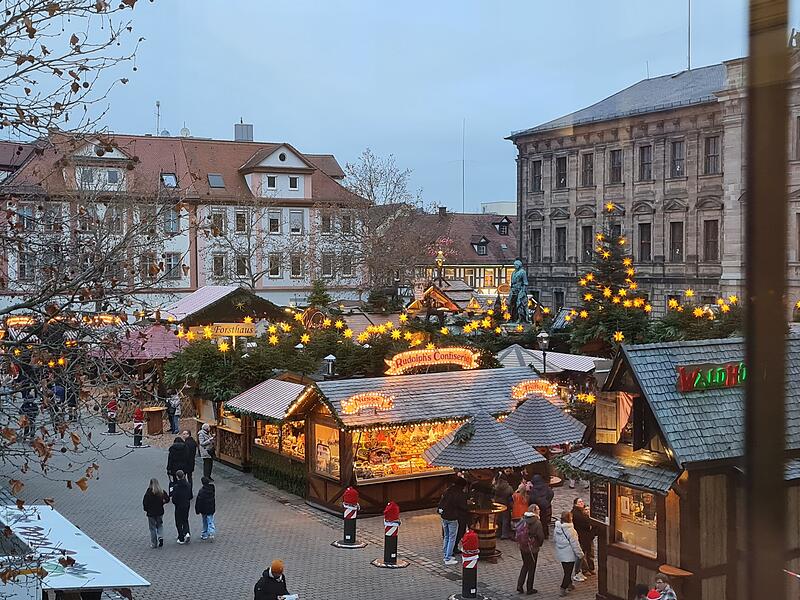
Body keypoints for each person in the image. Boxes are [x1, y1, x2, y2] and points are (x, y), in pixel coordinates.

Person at [438, 476, 468, 565]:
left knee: (447, 536)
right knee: (452, 538)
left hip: (444, 516)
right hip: (453, 517)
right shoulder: (460, 494)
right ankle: (448, 557)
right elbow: (463, 507)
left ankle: (445, 553)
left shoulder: (448, 491)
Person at [515, 506, 544, 595]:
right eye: (538, 509)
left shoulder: (523, 519)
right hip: (532, 548)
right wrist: (539, 544)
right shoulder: (537, 522)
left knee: (525, 565)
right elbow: (540, 536)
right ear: (534, 511)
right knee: (532, 568)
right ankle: (529, 588)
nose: (539, 510)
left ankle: (519, 585)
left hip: (523, 547)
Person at [554, 511, 583, 596]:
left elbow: (554, 539)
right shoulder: (571, 530)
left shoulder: (557, 528)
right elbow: (575, 544)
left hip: (561, 553)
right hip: (569, 554)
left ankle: (570, 584)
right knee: (568, 573)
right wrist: (580, 554)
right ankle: (563, 588)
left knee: (566, 570)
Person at [142, 478, 169, 548]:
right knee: (159, 525)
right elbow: (167, 499)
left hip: (151, 513)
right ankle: (160, 536)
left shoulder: (148, 493)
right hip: (160, 512)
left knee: (152, 528)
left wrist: (146, 510)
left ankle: (154, 543)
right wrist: (163, 502)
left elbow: (145, 503)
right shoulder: (161, 492)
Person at [571, 498, 595, 577]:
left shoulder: (583, 511)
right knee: (583, 554)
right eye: (579, 502)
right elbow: (586, 523)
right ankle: (585, 569)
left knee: (590, 552)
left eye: (582, 501)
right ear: (575, 504)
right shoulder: (577, 513)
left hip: (588, 536)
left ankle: (590, 568)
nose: (581, 503)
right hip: (581, 536)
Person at [170, 469, 192, 544]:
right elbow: (190, 496)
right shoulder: (188, 485)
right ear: (184, 475)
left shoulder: (176, 487)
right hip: (186, 505)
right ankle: (187, 532)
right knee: (185, 519)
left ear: (177, 477)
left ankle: (181, 538)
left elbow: (174, 499)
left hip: (179, 506)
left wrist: (175, 502)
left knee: (178, 522)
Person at [529, 474, 554, 539]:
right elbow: (551, 493)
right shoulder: (546, 487)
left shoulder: (533, 490)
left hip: (537, 508)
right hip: (545, 507)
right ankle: (545, 534)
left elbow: (531, 499)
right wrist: (547, 501)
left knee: (536, 521)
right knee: (544, 520)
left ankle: (537, 534)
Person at [195, 476, 216, 541]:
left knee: (205, 521)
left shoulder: (201, 491)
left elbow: (199, 501)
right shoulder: (212, 489)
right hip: (211, 508)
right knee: (210, 520)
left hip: (204, 509)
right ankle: (211, 532)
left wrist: (197, 509)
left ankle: (205, 534)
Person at [493, 473, 514, 540]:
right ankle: (504, 534)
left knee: (498, 519)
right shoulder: (508, 487)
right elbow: (511, 494)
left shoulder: (496, 486)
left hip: (497, 504)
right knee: (505, 519)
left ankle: (498, 532)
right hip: (505, 504)